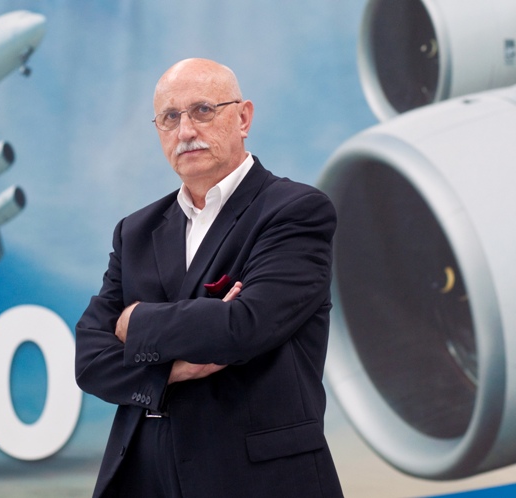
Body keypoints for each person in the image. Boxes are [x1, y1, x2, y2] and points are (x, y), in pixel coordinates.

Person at [74, 58, 343, 497]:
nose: (185, 131)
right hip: (143, 481)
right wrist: (170, 371)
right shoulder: (135, 231)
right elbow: (90, 359)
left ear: (243, 118)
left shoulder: (296, 211)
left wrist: (135, 321)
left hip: (256, 481)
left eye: (202, 110)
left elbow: (243, 327)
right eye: (169, 117)